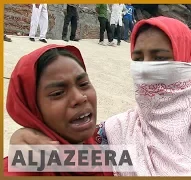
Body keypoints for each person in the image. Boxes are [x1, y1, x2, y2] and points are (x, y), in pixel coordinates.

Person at [8, 16, 191, 176]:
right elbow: (50, 160)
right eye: (139, 58)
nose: (148, 69)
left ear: (187, 62)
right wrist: (24, 142)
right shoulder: (116, 135)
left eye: (160, 57)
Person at [3, 44, 113, 176]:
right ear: (32, 110)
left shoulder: (110, 141)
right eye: (58, 93)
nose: (80, 97)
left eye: (83, 84)